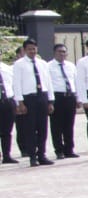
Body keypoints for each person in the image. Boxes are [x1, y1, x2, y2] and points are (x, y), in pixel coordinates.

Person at [12, 38, 55, 166]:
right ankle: (32, 156)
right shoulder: (19, 64)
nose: (32, 51)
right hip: (28, 98)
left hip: (42, 96)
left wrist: (50, 101)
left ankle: (41, 154)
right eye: (29, 49)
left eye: (34, 48)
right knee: (30, 128)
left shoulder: (43, 64)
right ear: (25, 50)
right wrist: (20, 102)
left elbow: (48, 82)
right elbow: (17, 83)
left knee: (42, 128)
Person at [47, 43, 79, 159]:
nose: (62, 54)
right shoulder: (48, 66)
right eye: (59, 51)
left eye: (64, 52)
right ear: (54, 53)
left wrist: (78, 98)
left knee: (69, 125)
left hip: (70, 97)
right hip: (57, 97)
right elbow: (48, 84)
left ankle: (69, 149)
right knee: (56, 126)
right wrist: (49, 101)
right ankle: (59, 150)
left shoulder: (71, 66)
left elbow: (76, 82)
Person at [0, 50, 17, 163]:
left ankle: (7, 155)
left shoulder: (7, 68)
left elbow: (13, 85)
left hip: (8, 101)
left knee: (7, 130)